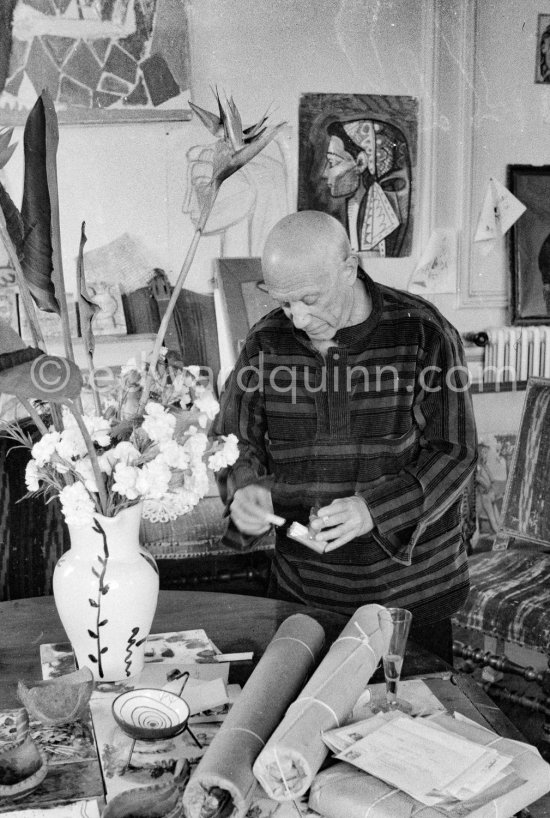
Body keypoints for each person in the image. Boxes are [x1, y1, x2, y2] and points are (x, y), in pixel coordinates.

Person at [213, 210, 477, 664]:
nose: (297, 318)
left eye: (309, 299)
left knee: (408, 708)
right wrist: (245, 489)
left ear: (349, 268)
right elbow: (232, 442)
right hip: (304, 592)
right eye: (284, 303)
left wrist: (372, 509)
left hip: (412, 594)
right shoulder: (265, 343)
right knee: (300, 706)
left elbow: (455, 453)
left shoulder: (422, 332)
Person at [322, 119, 411, 256]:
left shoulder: (383, 225)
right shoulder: (354, 209)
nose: (325, 173)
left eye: (333, 163)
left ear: (361, 163)